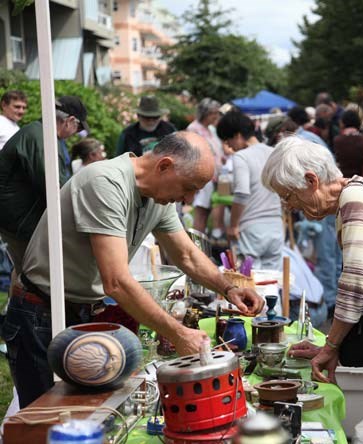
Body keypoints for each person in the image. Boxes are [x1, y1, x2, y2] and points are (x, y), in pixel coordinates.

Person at [2, 131, 264, 408]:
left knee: (86, 414)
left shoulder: (157, 195)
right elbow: (115, 281)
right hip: (41, 313)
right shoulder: (105, 182)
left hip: (80, 311)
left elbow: (186, 254)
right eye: (188, 187)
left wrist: (229, 287)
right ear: (164, 166)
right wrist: (178, 333)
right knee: (44, 419)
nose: (187, 199)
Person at [264, 136, 363, 443]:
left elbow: (356, 281)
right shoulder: (354, 192)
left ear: (311, 180)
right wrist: (331, 346)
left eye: (288, 195)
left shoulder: (354, 197)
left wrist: (331, 345)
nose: (289, 206)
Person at [0, 96, 88, 277]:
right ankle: (18, 306)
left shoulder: (41, 133)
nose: (75, 133)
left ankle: (15, 304)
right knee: (32, 277)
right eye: (78, 128)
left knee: (24, 274)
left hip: (19, 219)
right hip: (18, 222)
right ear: (70, 121)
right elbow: (54, 185)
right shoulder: (40, 138)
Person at [216, 110, 284, 269]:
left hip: (251, 229)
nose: (230, 147)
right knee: (273, 283)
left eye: (229, 141)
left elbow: (241, 193)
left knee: (249, 283)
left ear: (238, 135)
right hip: (275, 226)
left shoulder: (242, 157)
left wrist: (233, 225)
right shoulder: (273, 152)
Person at [187, 98, 226, 235]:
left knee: (209, 210)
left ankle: (207, 238)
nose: (216, 116)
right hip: (203, 176)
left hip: (215, 176)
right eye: (213, 113)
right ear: (205, 113)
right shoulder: (193, 129)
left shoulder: (211, 129)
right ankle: (198, 243)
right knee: (201, 211)